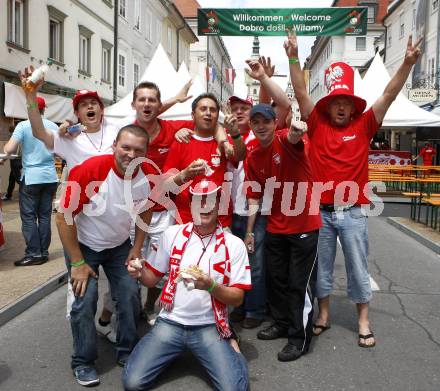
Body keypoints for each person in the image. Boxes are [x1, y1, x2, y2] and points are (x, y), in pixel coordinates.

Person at [285, 30, 423, 348]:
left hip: (354, 211)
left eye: (347, 102)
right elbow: (301, 90)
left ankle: (363, 320)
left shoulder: (364, 126)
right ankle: (323, 314)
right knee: (321, 268)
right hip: (321, 212)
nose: (342, 107)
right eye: (337, 102)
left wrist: (407, 65)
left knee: (358, 266)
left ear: (353, 107)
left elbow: (388, 95)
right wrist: (293, 55)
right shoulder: (317, 124)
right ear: (329, 106)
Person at [123, 180, 251, 391]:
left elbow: (237, 298)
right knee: (132, 383)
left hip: (209, 326)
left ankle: (231, 344)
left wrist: (211, 286)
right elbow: (151, 279)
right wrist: (138, 272)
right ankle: (168, 351)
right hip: (170, 322)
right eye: (198, 201)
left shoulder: (233, 245)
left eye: (210, 200)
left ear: (219, 204)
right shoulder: (171, 234)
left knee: (234, 389)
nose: (204, 206)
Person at [56, 125, 153, 387]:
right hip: (84, 246)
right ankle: (83, 361)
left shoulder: (145, 177)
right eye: (126, 147)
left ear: (145, 153)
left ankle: (127, 351)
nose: (131, 154)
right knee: (84, 302)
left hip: (119, 245)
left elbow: (145, 213)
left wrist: (136, 248)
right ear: (114, 146)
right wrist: (77, 262)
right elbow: (63, 217)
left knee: (130, 294)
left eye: (138, 150)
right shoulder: (90, 170)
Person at [245, 104, 321, 362]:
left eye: (265, 121)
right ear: (251, 126)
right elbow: (254, 196)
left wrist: (296, 132)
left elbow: (294, 139)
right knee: (276, 280)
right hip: (275, 225)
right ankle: (281, 323)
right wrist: (249, 232)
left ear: (274, 122)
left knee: (299, 285)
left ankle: (298, 339)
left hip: (304, 226)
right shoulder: (253, 156)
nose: (260, 126)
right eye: (255, 122)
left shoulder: (286, 139)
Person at [163, 93, 246, 228]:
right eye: (203, 109)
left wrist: (235, 133)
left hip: (220, 222)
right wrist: (184, 175)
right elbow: (165, 185)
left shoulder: (224, 142)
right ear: (193, 115)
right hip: (187, 220)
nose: (208, 113)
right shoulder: (181, 141)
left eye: (213, 110)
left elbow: (240, 156)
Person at [3, 96, 58, 266]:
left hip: (32, 177)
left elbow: (10, 148)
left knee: (28, 217)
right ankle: (43, 252)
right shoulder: (53, 126)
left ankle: (34, 253)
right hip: (50, 176)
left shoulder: (23, 125)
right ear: (44, 109)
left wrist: (5, 153)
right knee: (44, 216)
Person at [1, 126, 22, 201]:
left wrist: (3, 160)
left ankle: (27, 193)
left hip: (15, 161)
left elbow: (10, 151)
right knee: (12, 179)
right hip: (21, 160)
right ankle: (8, 195)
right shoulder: (22, 136)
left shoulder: (13, 137)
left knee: (18, 179)